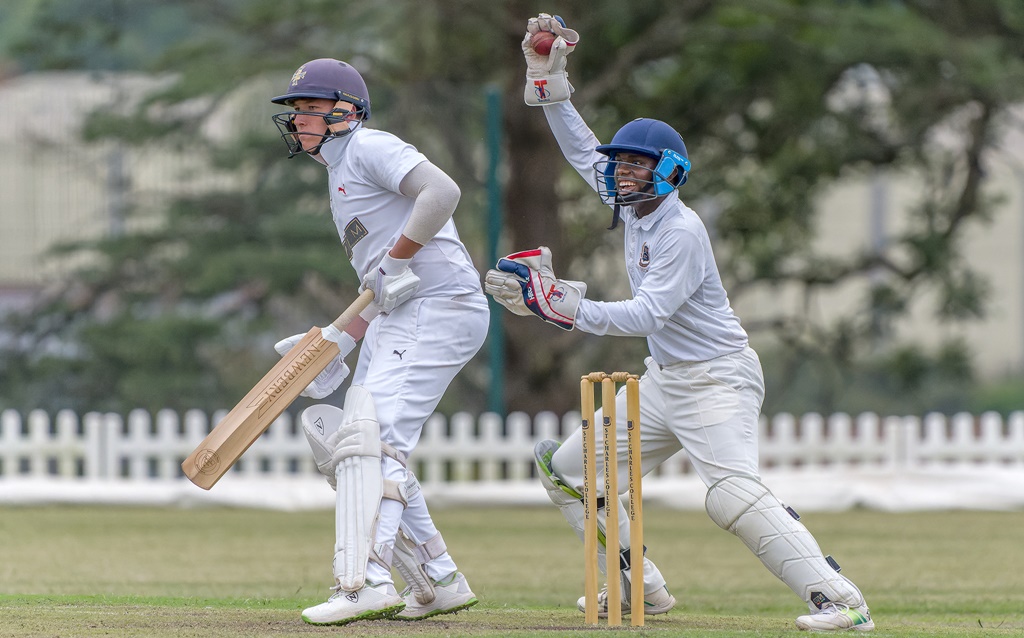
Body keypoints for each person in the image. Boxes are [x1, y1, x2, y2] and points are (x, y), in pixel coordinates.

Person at [484, 14, 874, 633]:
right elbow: (584, 148)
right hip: (664, 380)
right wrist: (549, 83)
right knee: (569, 472)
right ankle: (639, 587)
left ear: (669, 173)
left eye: (638, 166)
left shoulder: (681, 230)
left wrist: (561, 306)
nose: (622, 174)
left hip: (718, 379)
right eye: (622, 165)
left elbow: (647, 314)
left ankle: (842, 602)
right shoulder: (631, 203)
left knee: (732, 498)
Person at [269, 58, 488, 626]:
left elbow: (442, 191)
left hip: (438, 306)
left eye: (312, 109)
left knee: (373, 444)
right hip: (407, 313)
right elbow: (381, 289)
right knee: (355, 443)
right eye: (297, 112)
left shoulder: (370, 146)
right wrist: (337, 341)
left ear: (348, 111)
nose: (301, 121)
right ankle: (439, 578)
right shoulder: (339, 174)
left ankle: (366, 578)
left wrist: (396, 259)